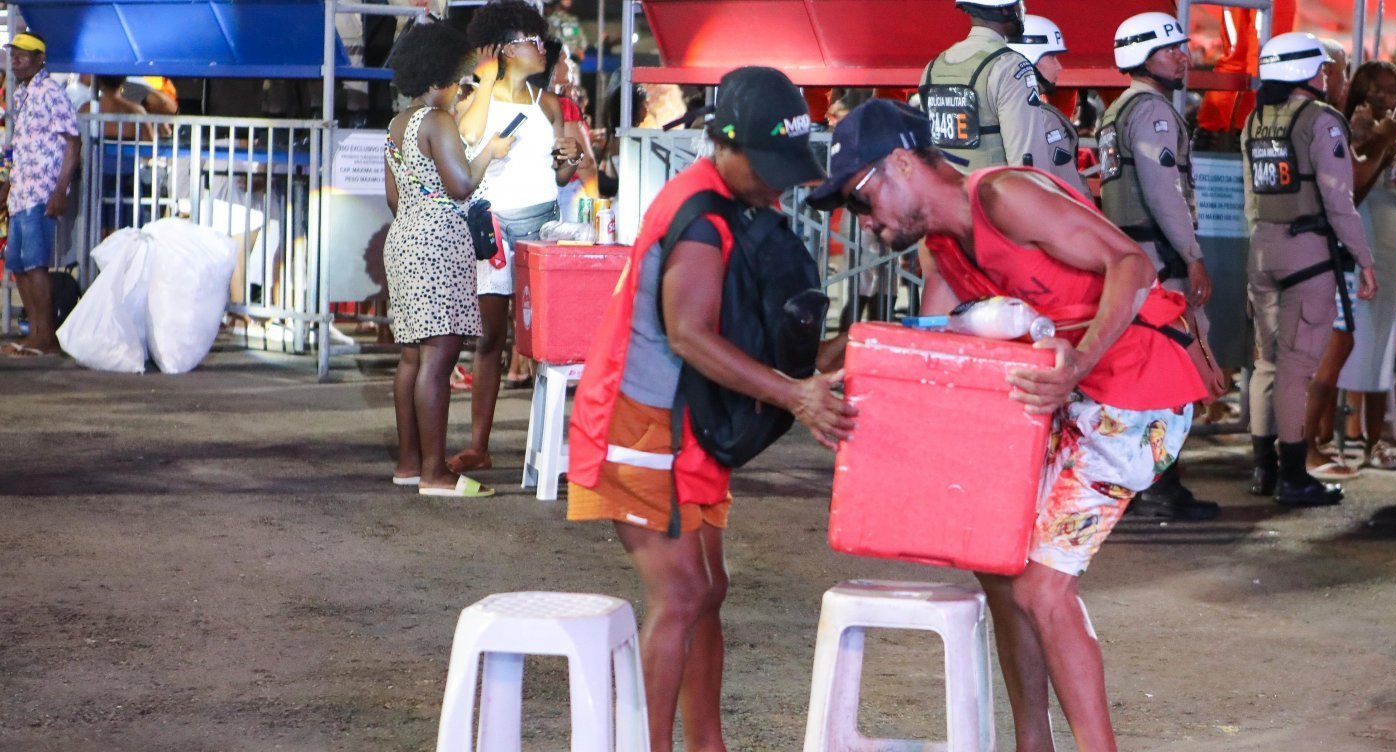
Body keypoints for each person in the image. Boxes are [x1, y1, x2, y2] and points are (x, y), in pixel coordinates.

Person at [809, 98, 1205, 752]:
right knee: (997, 558)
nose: (866, 225)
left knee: (1043, 587)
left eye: (859, 199)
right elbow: (933, 353)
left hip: (1138, 386)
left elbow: (1132, 265)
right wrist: (844, 381)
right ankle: (1031, 742)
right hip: (1069, 391)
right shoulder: (941, 251)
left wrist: (1078, 362)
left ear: (902, 164)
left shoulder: (1004, 196)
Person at [565, 67, 853, 752]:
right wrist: (794, 397)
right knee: (684, 593)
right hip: (638, 423)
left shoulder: (735, 201)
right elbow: (690, 335)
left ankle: (707, 743)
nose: (781, 181)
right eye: (770, 164)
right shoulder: (698, 214)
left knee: (709, 587)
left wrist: (838, 357)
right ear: (726, 145)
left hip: (688, 426)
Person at [1242, 32, 1378, 508]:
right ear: (1302, 72)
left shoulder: (1256, 119)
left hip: (1262, 249)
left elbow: (1250, 196)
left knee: (1268, 363)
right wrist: (1364, 259)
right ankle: (1294, 476)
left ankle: (1263, 468)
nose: (1327, 75)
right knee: (1298, 370)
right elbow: (1340, 203)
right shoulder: (1322, 121)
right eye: (1321, 68)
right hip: (1307, 254)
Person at [448, 2, 583, 473]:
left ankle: (548, 447)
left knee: (547, 342)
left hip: (543, 226)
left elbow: (563, 177)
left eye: (540, 39)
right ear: (504, 48)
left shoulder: (547, 103)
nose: (542, 47)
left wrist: (568, 159)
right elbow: (466, 136)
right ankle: (479, 447)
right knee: (489, 339)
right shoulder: (473, 95)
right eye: (532, 40)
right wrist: (484, 81)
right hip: (495, 231)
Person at [382, 21, 513, 497]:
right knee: (440, 357)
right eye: (461, 80)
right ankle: (437, 473)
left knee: (413, 359)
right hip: (438, 241)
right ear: (442, 77)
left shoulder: (398, 125)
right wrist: (490, 154)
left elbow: (394, 199)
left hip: (405, 237)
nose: (462, 89)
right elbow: (460, 184)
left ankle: (410, 463)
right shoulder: (438, 121)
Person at [1096, 11, 1219, 520]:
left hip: (1130, 258)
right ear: (1140, 57)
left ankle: (1141, 481)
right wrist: (1192, 257)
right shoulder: (1154, 112)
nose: (1182, 56)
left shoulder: (1116, 110)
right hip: (1158, 262)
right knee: (1178, 366)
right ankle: (1161, 484)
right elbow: (1164, 193)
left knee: (1139, 369)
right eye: (1170, 49)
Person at [1303, 60, 1396, 476]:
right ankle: (1324, 438)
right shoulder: (1348, 130)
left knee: (1382, 342)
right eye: (1377, 89)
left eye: (1393, 89)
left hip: (1389, 247)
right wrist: (1378, 146)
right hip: (1352, 245)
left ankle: (1373, 439)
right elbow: (1348, 194)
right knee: (1342, 343)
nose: (1385, 97)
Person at [1, 32, 80, 358]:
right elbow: (19, 146)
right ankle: (34, 334)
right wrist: (7, 184)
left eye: (24, 55)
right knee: (18, 264)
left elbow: (73, 142)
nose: (16, 59)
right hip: (21, 192)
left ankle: (45, 337)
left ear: (40, 59)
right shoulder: (21, 94)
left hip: (41, 192)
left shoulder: (50, 92)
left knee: (36, 265)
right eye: (14, 54)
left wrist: (61, 189)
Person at [919, 0, 1045, 172]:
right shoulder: (1009, 66)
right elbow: (1027, 159)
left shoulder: (933, 68)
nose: (1022, 9)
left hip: (944, 196)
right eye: (1018, 3)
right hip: (988, 194)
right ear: (1004, 9)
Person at [1006, 14, 1091, 197]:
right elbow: (1069, 188)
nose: (1059, 66)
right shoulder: (1042, 118)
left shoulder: (996, 110)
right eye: (1051, 56)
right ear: (1028, 58)